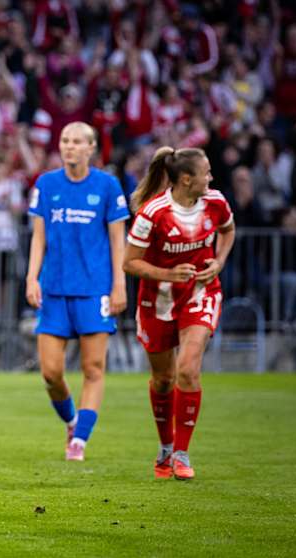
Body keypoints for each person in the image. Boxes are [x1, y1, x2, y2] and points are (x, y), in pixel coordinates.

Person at [124, 147, 235, 480]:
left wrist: (218, 262)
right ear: (187, 179)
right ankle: (166, 447)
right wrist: (167, 274)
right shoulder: (153, 212)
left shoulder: (215, 202)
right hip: (157, 301)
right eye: (207, 172)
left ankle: (182, 455)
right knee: (163, 379)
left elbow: (228, 231)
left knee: (187, 369)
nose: (211, 178)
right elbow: (129, 262)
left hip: (200, 294)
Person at [25, 122, 130, 461]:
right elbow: (38, 237)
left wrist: (119, 285)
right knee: (51, 372)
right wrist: (31, 277)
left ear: (91, 148)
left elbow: (118, 241)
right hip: (54, 289)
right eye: (65, 141)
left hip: (94, 290)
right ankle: (72, 420)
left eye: (77, 142)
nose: (69, 147)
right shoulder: (46, 184)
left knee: (93, 368)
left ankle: (79, 442)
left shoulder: (108, 186)